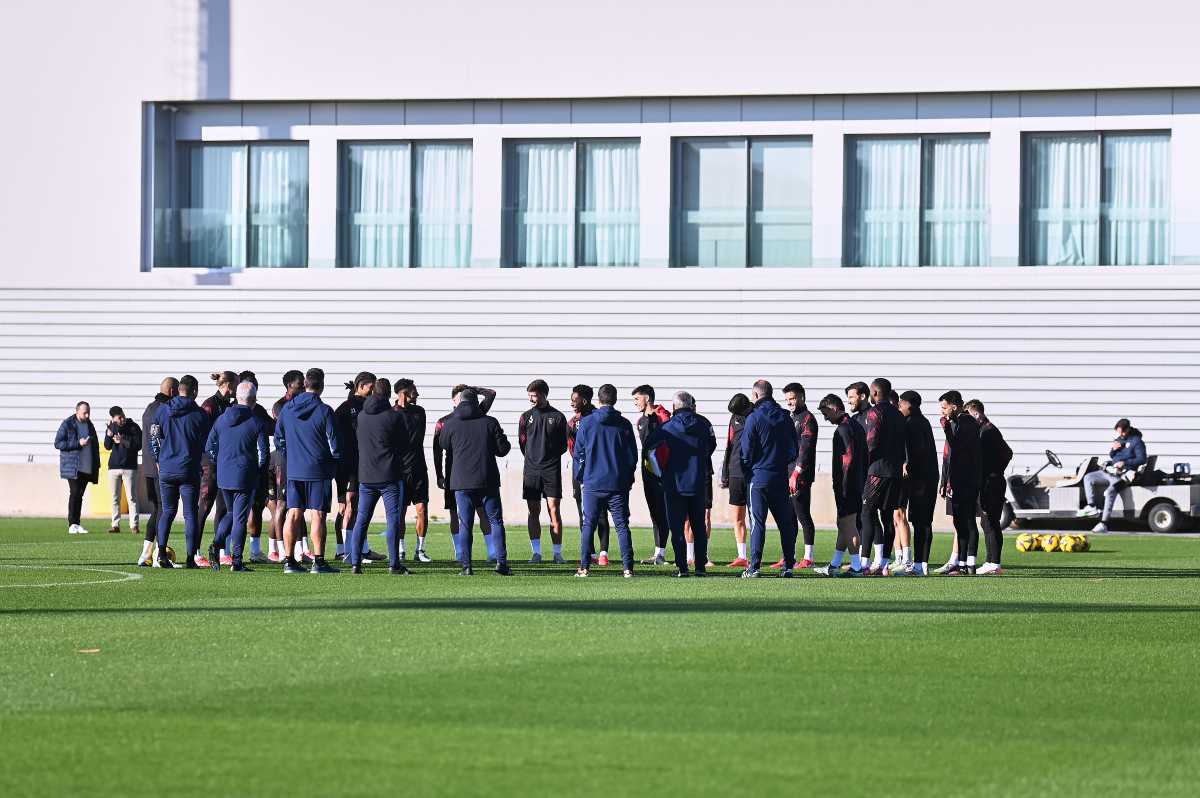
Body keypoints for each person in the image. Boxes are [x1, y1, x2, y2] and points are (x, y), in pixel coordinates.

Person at [275, 367, 341, 574]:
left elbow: (279, 439)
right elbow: (334, 445)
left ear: (304, 384)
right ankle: (318, 561)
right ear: (321, 385)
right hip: (318, 469)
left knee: (293, 513)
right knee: (318, 514)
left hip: (294, 469)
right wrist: (334, 461)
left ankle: (289, 560)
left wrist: (291, 457)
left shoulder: (287, 409)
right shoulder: (325, 411)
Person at [440, 388, 513, 576]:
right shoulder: (489, 422)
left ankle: (467, 566)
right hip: (487, 478)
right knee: (496, 521)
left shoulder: (450, 423)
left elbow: (444, 445)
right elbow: (502, 450)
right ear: (475, 401)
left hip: (461, 481)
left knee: (465, 524)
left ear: (459, 401)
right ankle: (501, 563)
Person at [644, 391, 717, 577]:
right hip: (698, 481)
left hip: (674, 483)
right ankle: (700, 567)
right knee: (698, 526)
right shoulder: (704, 423)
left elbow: (648, 447)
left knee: (677, 527)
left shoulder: (668, 427)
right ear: (691, 404)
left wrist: (659, 472)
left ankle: (682, 567)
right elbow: (712, 445)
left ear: (675, 406)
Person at [573, 383, 639, 578]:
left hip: (593, 482)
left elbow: (579, 454)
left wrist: (581, 477)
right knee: (621, 525)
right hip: (618, 483)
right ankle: (628, 568)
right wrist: (628, 478)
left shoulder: (587, 423)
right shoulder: (624, 424)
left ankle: (584, 567)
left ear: (598, 400)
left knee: (589, 524)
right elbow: (632, 456)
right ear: (615, 400)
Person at [348, 378, 412, 575]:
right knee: (392, 519)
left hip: (366, 475)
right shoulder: (393, 417)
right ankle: (394, 564)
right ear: (388, 395)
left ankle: (355, 562)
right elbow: (404, 444)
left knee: (362, 520)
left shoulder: (362, 417)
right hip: (389, 474)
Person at [204, 381, 270, 572]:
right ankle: (236, 560)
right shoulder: (256, 422)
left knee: (232, 514)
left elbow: (209, 447)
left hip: (224, 474)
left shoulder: (222, 419)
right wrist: (257, 471)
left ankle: (217, 545)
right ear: (254, 400)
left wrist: (220, 462)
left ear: (236, 397)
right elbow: (264, 454)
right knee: (240, 518)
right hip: (245, 475)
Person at [738, 380, 799, 578]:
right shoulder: (785, 416)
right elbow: (793, 449)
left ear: (755, 396)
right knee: (786, 524)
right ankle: (788, 566)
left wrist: (750, 469)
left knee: (757, 522)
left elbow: (746, 452)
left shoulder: (754, 418)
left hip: (758, 477)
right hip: (780, 476)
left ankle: (754, 567)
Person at [150, 375, 212, 568]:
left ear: (178, 390)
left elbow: (154, 437)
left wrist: (158, 458)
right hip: (189, 468)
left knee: (167, 511)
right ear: (194, 390)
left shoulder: (162, 411)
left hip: (167, 467)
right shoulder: (200, 414)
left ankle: (160, 553)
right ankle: (190, 557)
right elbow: (206, 443)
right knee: (190, 514)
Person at [433, 384, 496, 560]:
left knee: (482, 510)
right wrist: (439, 474)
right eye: (459, 397)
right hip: (454, 472)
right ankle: (460, 552)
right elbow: (437, 450)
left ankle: (491, 550)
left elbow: (491, 394)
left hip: (477, 471)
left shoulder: (479, 413)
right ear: (453, 400)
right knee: (455, 512)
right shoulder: (444, 421)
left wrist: (474, 389)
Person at [814, 395, 868, 577]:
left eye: (826, 413)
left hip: (848, 485)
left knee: (848, 524)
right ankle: (835, 564)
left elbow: (849, 458)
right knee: (843, 523)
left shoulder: (843, 429)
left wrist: (843, 484)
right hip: (857, 482)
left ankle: (856, 567)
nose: (825, 418)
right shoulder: (857, 426)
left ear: (835, 408)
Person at [518, 379, 568, 563]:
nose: (531, 399)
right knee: (533, 511)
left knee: (554, 510)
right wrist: (533, 458)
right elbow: (523, 443)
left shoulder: (558, 417)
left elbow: (563, 445)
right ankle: (536, 552)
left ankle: (557, 553)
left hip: (551, 470)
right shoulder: (525, 417)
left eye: (535, 395)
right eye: (529, 395)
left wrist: (549, 458)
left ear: (544, 395)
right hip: (531, 470)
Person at [861, 377, 907, 575]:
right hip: (895, 472)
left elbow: (871, 442)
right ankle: (884, 564)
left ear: (876, 393)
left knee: (866, 513)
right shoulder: (898, 414)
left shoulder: (875, 412)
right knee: (887, 517)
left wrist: (863, 464)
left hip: (877, 471)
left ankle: (863, 563)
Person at [965, 399, 1013, 575]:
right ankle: (990, 561)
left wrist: (994, 470)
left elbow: (1008, 453)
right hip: (989, 480)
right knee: (987, 522)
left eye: (969, 415)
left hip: (991, 482)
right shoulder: (984, 430)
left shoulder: (988, 431)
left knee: (990, 521)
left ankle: (994, 562)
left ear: (976, 413)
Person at [938, 390, 981, 576]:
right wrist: (944, 480)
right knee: (959, 522)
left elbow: (957, 448)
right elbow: (948, 457)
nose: (942, 412)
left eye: (944, 407)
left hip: (968, 479)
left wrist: (946, 428)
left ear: (954, 407)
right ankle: (962, 563)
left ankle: (968, 564)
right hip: (955, 480)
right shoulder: (955, 422)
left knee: (968, 520)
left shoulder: (967, 422)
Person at [196, 370, 238, 564]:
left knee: (223, 508)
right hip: (209, 464)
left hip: (225, 463)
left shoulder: (231, 405)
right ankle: (195, 552)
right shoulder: (209, 406)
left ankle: (221, 551)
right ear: (228, 385)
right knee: (204, 507)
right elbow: (203, 435)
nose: (236, 389)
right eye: (235, 385)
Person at [1080, 418, 1148, 534]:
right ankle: (1091, 506)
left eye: (1122, 432)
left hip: (1123, 474)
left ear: (1128, 429)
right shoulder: (1119, 439)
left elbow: (1142, 459)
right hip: (1110, 470)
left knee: (1110, 492)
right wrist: (1113, 449)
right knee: (1088, 477)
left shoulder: (1137, 441)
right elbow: (1112, 456)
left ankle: (1104, 524)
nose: (1120, 435)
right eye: (1118, 432)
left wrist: (1125, 463)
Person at [568, 385, 611, 565]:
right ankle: (590, 553)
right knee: (583, 513)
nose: (571, 404)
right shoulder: (572, 423)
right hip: (580, 472)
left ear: (584, 401)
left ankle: (603, 553)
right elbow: (572, 448)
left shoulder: (597, 418)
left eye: (574, 400)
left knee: (601, 513)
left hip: (599, 471)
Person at [334, 372, 375, 561]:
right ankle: (349, 552)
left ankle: (350, 549)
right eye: (370, 387)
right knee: (350, 506)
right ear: (361, 386)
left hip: (360, 463)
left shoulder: (368, 406)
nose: (373, 390)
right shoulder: (346, 408)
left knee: (352, 507)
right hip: (349, 465)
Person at [898, 391, 938, 576]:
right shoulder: (924, 422)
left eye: (901, 404)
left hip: (921, 480)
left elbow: (918, 450)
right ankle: (922, 564)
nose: (899, 406)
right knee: (923, 522)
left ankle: (920, 565)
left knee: (921, 522)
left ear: (910, 405)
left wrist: (907, 463)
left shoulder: (912, 423)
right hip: (928, 477)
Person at [138, 378, 177, 565]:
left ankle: (147, 553)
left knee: (158, 510)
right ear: (171, 391)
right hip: (160, 468)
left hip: (147, 468)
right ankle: (155, 556)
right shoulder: (165, 410)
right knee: (164, 511)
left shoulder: (148, 409)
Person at [270, 370, 307, 563]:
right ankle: (282, 550)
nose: (302, 387)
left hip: (301, 460)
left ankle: (302, 549)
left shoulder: (303, 403)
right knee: (282, 504)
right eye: (299, 384)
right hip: (284, 460)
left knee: (298, 504)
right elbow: (281, 435)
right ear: (289, 386)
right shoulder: (281, 406)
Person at [394, 378, 432, 562]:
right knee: (400, 512)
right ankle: (401, 549)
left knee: (422, 509)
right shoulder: (391, 414)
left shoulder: (419, 412)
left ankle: (420, 550)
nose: (417, 394)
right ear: (403, 393)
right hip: (399, 471)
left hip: (418, 469)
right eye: (414, 391)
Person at [632, 385, 672, 565]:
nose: (635, 403)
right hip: (647, 470)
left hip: (662, 472)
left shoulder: (663, 416)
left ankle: (665, 553)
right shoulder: (641, 420)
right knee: (654, 512)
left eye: (637, 399)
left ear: (647, 398)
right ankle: (658, 553)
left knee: (664, 512)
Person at [237, 370, 273, 564]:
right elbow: (268, 435)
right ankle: (234, 552)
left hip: (232, 468)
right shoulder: (253, 412)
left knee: (251, 509)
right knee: (243, 510)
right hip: (250, 467)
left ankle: (250, 550)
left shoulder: (232, 412)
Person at [782, 382, 818, 569]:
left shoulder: (807, 419)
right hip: (785, 473)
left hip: (800, 475)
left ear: (802, 397)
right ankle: (789, 555)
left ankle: (808, 557)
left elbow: (806, 449)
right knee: (788, 517)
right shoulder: (789, 417)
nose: (790, 403)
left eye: (793, 398)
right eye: (787, 399)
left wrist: (797, 472)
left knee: (802, 515)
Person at [54, 401, 100, 536]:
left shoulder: (89, 425)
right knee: (74, 493)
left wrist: (96, 463)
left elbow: (95, 444)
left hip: (87, 466)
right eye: (84, 413)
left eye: (88, 413)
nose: (87, 415)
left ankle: (77, 523)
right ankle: (72, 524)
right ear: (77, 411)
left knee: (79, 495)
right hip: (73, 466)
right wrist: (78, 444)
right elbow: (58, 443)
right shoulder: (67, 424)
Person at [720, 393, 753, 568]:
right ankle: (742, 555)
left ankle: (755, 556)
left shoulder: (756, 416)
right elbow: (729, 445)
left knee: (755, 517)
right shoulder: (735, 418)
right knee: (737, 516)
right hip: (735, 473)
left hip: (754, 473)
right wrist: (725, 472)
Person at [103, 405, 141, 535]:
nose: (122, 419)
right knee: (115, 497)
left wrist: (122, 440)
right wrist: (108, 436)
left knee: (132, 498)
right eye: (119, 417)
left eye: (122, 415)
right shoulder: (111, 428)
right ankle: (115, 525)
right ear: (113, 419)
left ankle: (134, 525)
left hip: (129, 467)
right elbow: (107, 446)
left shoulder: (133, 427)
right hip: (113, 467)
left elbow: (138, 445)